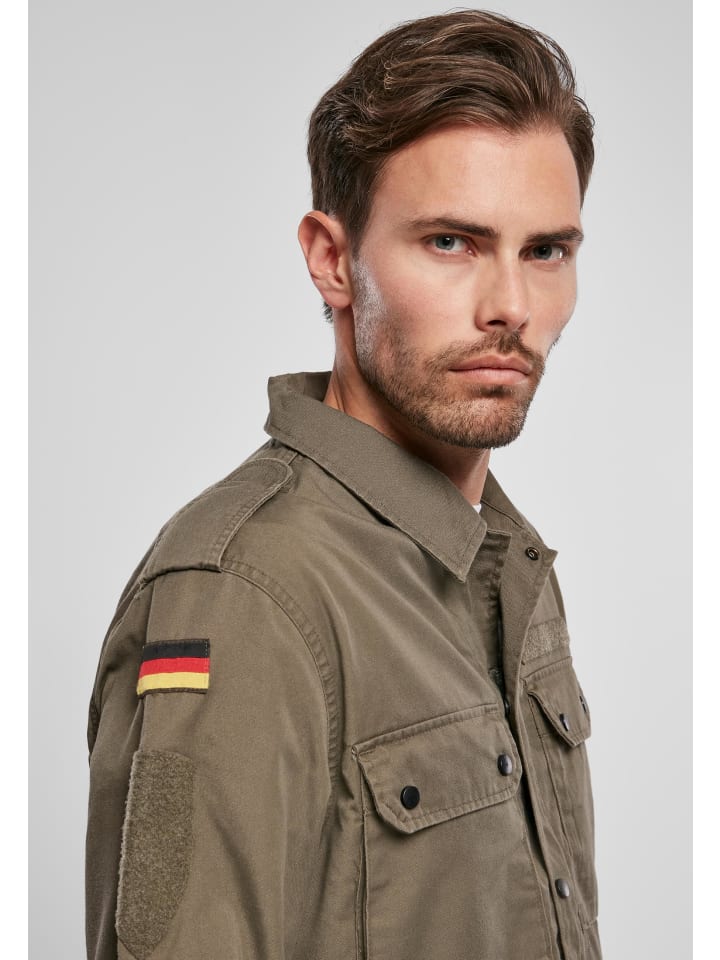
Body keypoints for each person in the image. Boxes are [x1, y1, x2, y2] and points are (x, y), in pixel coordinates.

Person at [86, 10, 600, 959]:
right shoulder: (249, 589)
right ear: (333, 260)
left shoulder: (508, 563)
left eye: (545, 251)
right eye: (451, 242)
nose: (511, 308)